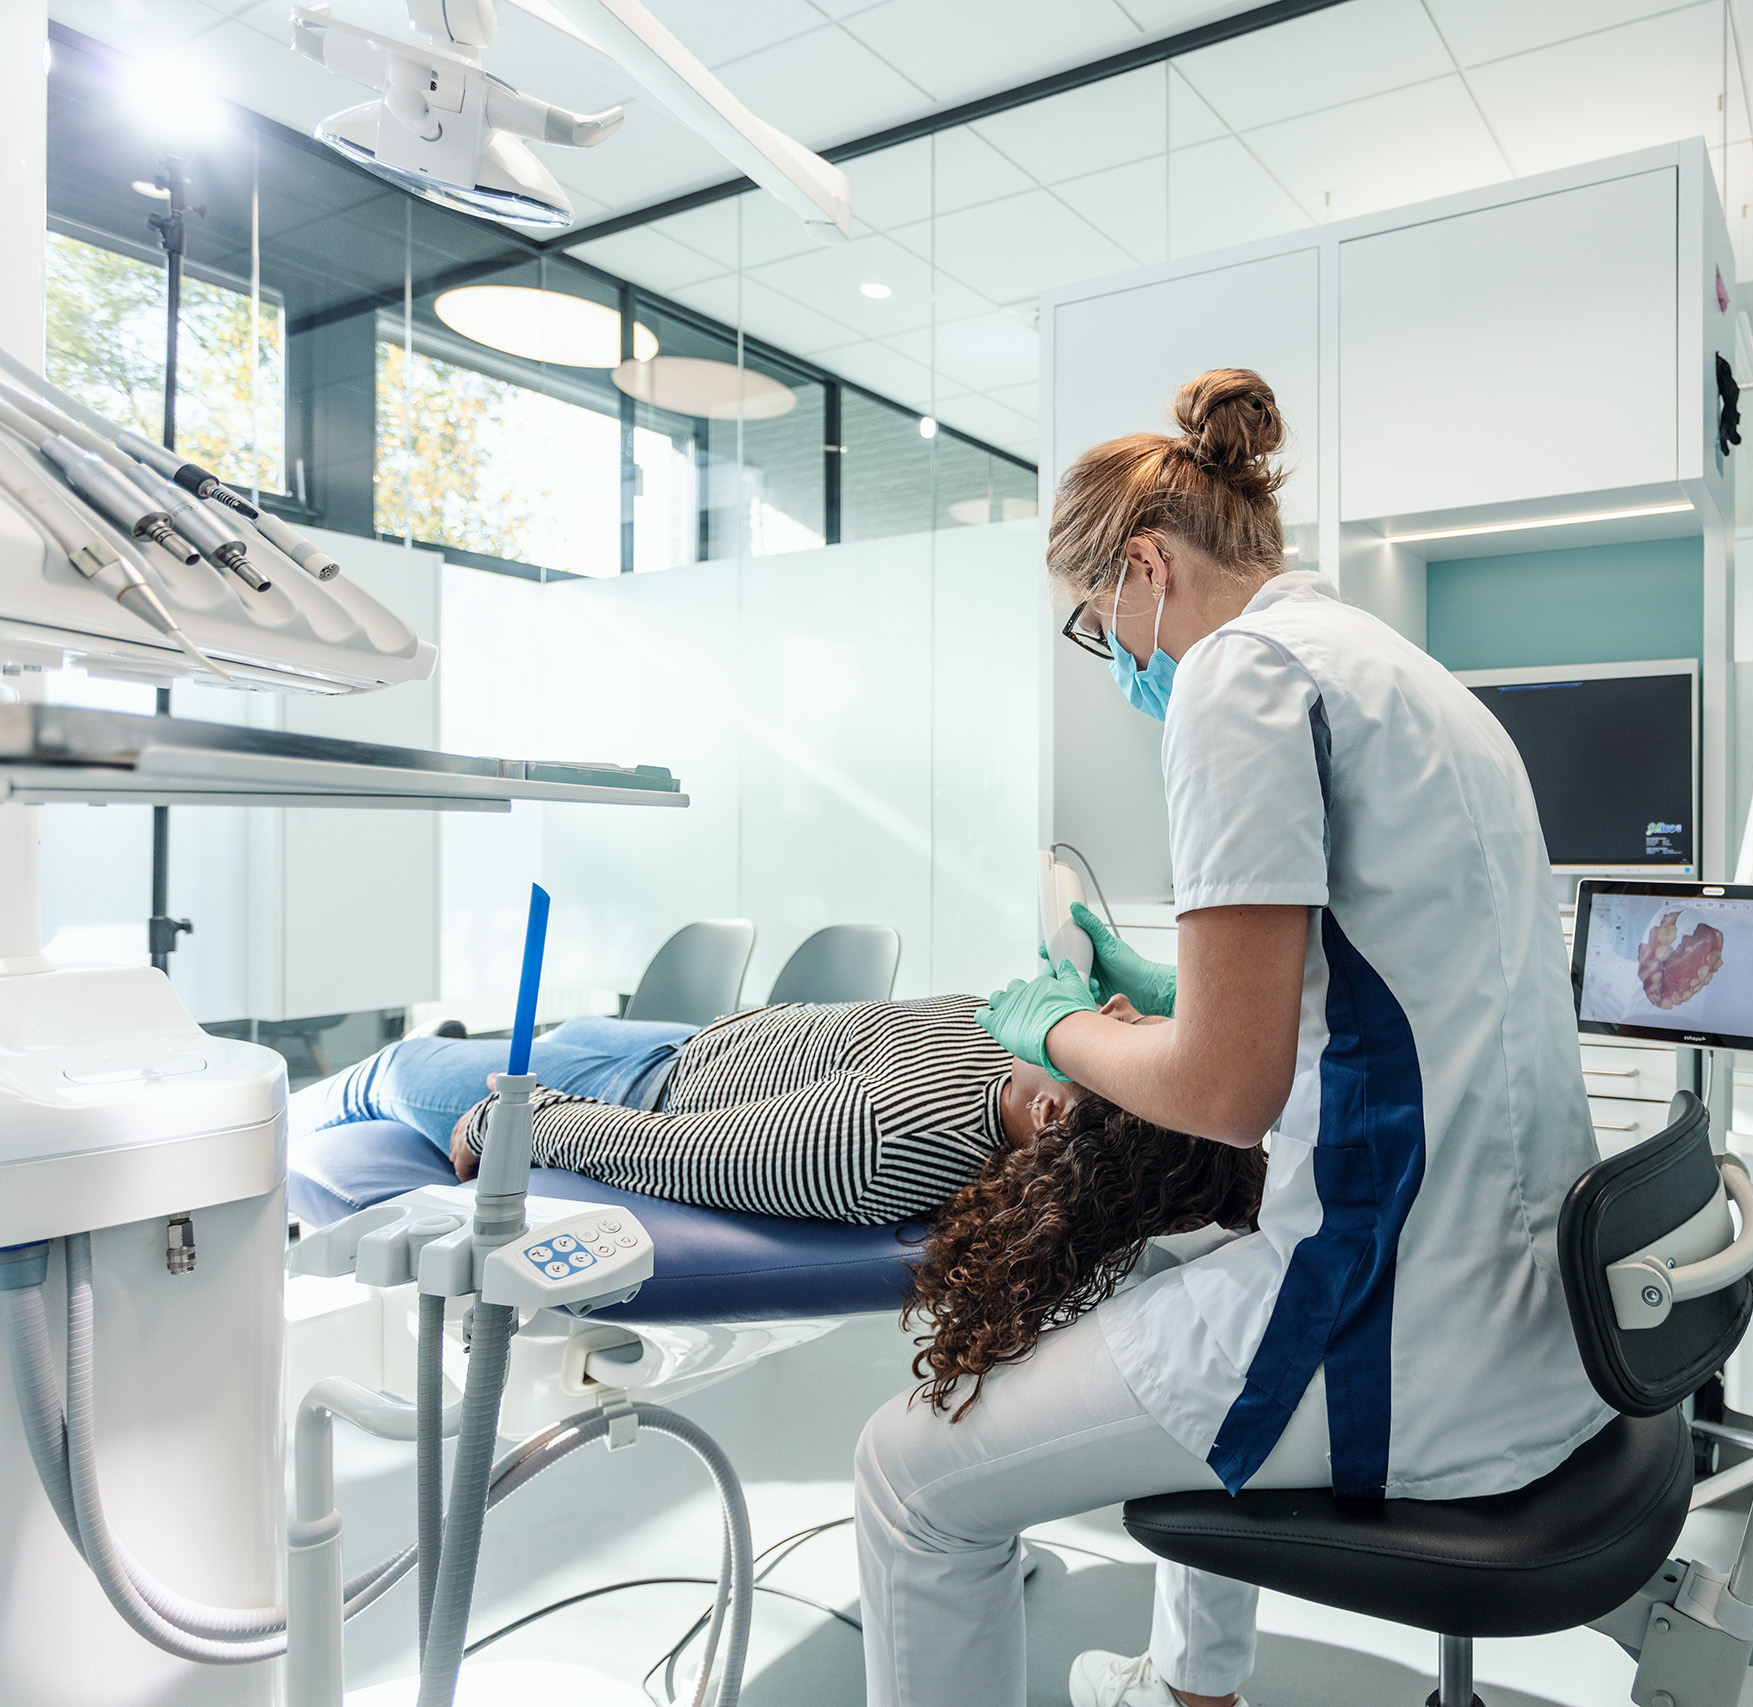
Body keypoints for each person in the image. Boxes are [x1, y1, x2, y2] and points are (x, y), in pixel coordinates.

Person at [853, 370, 1606, 1707]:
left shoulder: (1236, 676)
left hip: (1399, 1332)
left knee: (908, 1475)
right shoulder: (1406, 677)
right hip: (1535, 1313)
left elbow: (1223, 1089)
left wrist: (1057, 1027)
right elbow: (1383, 981)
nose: (1116, 661)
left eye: (1098, 627)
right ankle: (1189, 1687)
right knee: (1179, 1267)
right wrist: (1167, 984)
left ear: (1146, 568)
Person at [291, 994, 1156, 1225]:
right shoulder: (1019, 1056)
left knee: (392, 1071)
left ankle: (263, 1141)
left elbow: (675, 1151)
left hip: (629, 1092)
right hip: (682, 1046)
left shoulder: (878, 1138)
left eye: (1125, 1030)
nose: (1115, 1007)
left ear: (1053, 1116)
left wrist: (518, 1120)